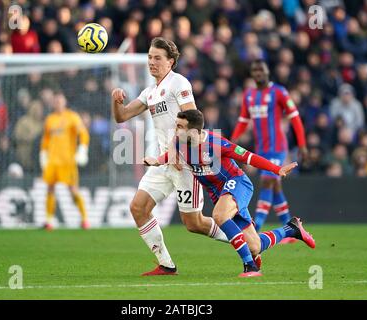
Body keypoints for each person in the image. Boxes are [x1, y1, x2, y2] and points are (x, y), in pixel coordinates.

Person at [144, 110, 315, 277]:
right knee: (255, 246)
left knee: (219, 215)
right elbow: (170, 155)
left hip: (237, 184)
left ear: (194, 132)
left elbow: (248, 157)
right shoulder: (179, 142)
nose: (176, 130)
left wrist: (277, 169)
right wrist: (156, 161)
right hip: (219, 194)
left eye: (180, 127)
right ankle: (291, 229)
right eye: (176, 125)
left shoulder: (216, 143)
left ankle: (250, 266)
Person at [111, 37, 228, 276]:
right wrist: (116, 101)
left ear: (170, 62)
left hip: (185, 161)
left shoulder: (179, 83)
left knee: (194, 224)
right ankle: (166, 264)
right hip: (164, 161)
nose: (151, 62)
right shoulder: (150, 92)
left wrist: (176, 149)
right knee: (138, 208)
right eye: (149, 58)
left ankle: (245, 241)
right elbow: (121, 117)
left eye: (157, 58)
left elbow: (194, 121)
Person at [231, 59, 308, 243]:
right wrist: (233, 140)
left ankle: (255, 228)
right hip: (261, 149)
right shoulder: (249, 95)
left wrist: (302, 143)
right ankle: (291, 228)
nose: (258, 73)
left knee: (266, 182)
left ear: (267, 72)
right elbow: (243, 121)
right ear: (252, 74)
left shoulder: (279, 92)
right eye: (255, 70)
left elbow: (295, 118)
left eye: (261, 70)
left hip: (277, 147)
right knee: (274, 186)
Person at [39, 90, 90, 230]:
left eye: (60, 101)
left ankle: (85, 218)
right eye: (56, 101)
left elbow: (83, 134)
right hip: (53, 161)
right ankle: (48, 220)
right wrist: (43, 154)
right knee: (50, 189)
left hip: (67, 161)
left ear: (65, 102)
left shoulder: (72, 117)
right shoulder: (50, 119)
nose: (58, 103)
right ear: (53, 103)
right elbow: (46, 139)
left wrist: (82, 149)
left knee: (73, 190)